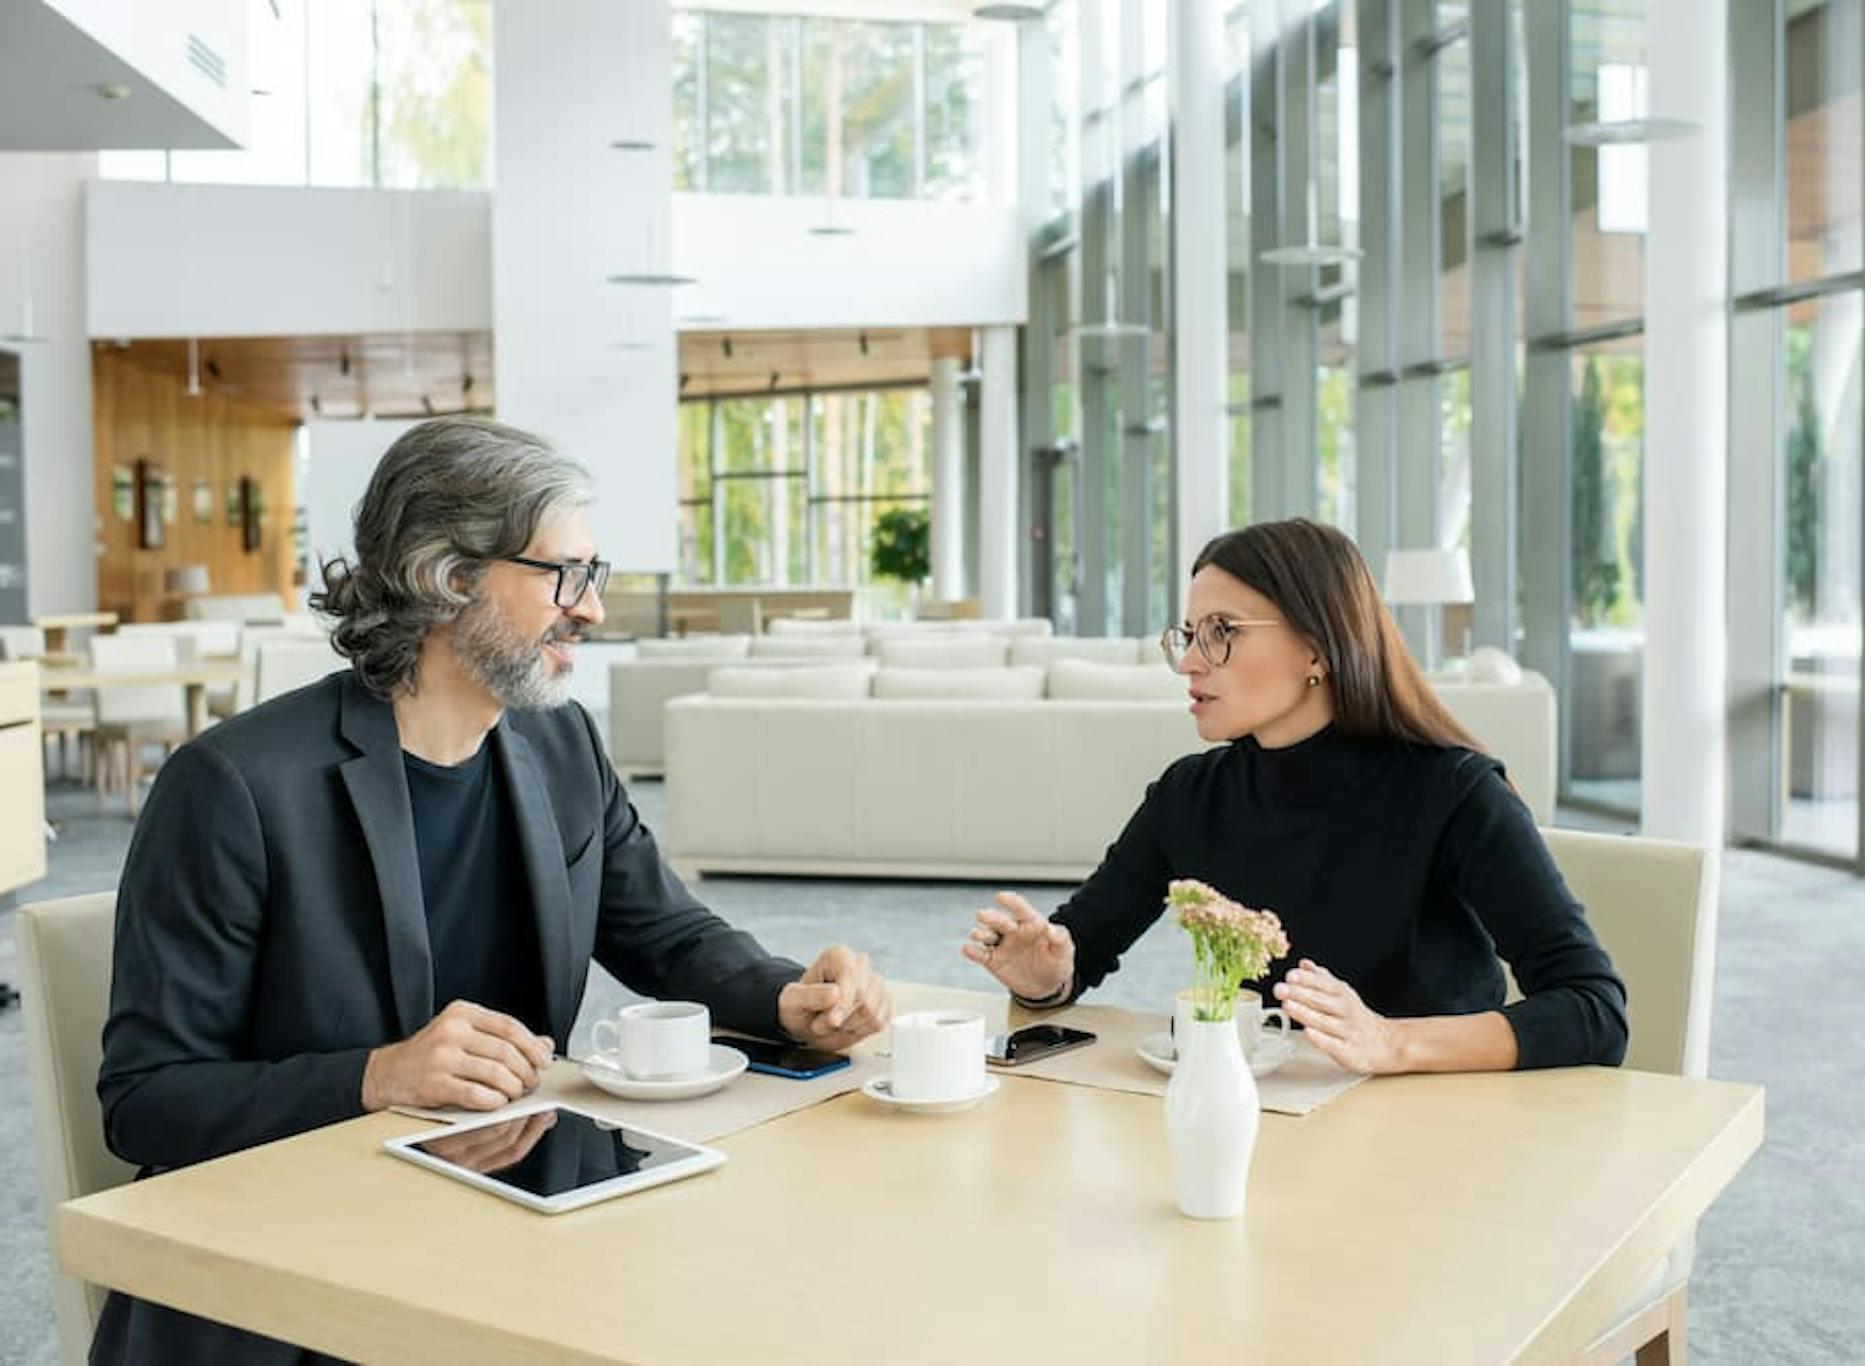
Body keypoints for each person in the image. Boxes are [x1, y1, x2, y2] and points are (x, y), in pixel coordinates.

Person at [93, 417, 889, 1365]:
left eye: (594, 575)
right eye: (563, 575)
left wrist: (788, 998)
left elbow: (667, 933)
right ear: (448, 577)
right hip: (287, 1281)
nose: (590, 610)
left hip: (502, 1229)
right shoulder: (234, 786)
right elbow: (146, 1099)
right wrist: (378, 1075)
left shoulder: (561, 746)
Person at [959, 518, 1626, 1076]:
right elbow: (1082, 948)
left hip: (1432, 1135)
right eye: (1189, 635)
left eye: (1222, 631)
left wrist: (1393, 1041)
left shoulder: (1454, 793)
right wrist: (1045, 972)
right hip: (1266, 1121)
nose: (1192, 660)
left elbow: (1593, 1009)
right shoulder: (1190, 795)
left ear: (1317, 647)